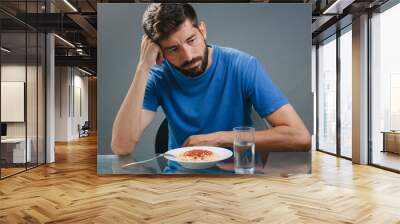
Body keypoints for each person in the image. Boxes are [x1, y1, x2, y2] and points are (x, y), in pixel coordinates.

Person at [111, 3, 311, 156]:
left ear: (203, 30)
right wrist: (143, 67)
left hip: (238, 179)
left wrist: (220, 139)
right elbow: (122, 147)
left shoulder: (242, 65)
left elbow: (300, 137)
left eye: (191, 40)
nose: (188, 56)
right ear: (159, 50)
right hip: (181, 179)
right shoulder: (158, 76)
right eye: (173, 49)